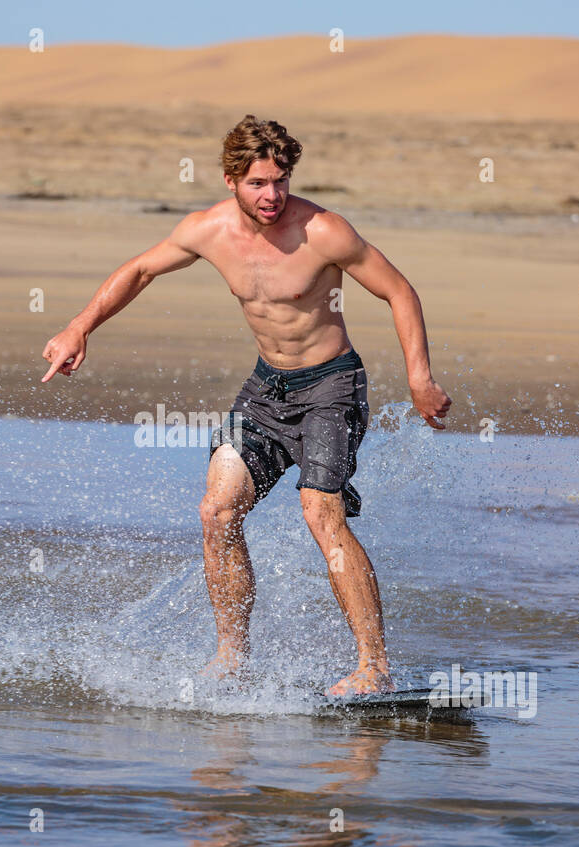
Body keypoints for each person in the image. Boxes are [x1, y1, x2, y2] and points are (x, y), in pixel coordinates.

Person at [41, 114, 451, 696]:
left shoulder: (323, 231)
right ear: (232, 179)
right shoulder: (207, 230)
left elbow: (399, 290)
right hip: (265, 390)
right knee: (217, 511)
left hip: (332, 388)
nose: (272, 195)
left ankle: (373, 667)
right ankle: (233, 657)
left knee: (319, 513)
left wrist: (419, 378)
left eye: (281, 180)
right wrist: (80, 327)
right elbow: (139, 270)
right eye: (259, 183)